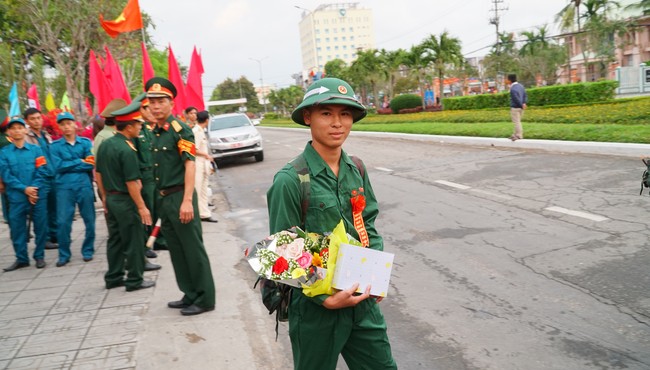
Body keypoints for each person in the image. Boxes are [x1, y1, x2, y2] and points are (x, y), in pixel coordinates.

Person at [266, 77, 397, 370]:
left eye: (345, 114)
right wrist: (325, 299)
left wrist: (374, 280)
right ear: (308, 117)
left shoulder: (357, 169)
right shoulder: (290, 180)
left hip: (361, 304)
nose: (337, 123)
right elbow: (283, 253)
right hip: (316, 311)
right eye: (327, 113)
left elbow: (369, 225)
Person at [146, 77, 215, 316]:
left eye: (160, 101)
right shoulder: (155, 132)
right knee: (176, 250)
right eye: (151, 101)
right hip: (164, 199)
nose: (155, 106)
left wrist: (187, 201)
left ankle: (205, 298)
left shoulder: (180, 130)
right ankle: (190, 293)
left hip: (180, 197)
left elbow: (189, 165)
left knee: (192, 249)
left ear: (171, 103)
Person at [95, 101, 155, 291]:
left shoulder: (105, 144)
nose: (140, 127)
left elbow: (99, 174)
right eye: (138, 124)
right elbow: (131, 182)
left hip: (111, 199)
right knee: (134, 240)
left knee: (115, 240)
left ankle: (113, 277)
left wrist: (104, 197)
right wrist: (141, 207)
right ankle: (135, 279)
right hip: (126, 200)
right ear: (129, 127)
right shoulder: (127, 149)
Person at [0, 117, 50, 271]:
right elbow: (6, 175)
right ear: (9, 132)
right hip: (16, 197)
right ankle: (21, 258)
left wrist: (33, 188)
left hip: (36, 196)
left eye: (20, 127)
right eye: (13, 128)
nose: (17, 131)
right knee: (16, 228)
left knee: (41, 227)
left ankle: (39, 256)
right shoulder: (4, 152)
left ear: (25, 130)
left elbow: (42, 170)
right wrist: (25, 189)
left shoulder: (36, 150)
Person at [49, 112, 95, 267]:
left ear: (75, 124)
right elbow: (58, 166)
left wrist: (71, 163)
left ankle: (88, 250)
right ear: (59, 127)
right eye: (62, 124)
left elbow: (90, 163)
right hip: (64, 187)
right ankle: (64, 254)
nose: (66, 127)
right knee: (63, 222)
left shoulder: (86, 143)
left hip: (84, 185)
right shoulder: (54, 146)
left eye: (69, 123)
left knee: (89, 219)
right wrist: (79, 161)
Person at [24, 107, 58, 249]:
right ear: (27, 121)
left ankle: (55, 236)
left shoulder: (45, 135)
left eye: (38, 118)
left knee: (54, 208)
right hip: (39, 179)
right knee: (40, 213)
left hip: (52, 176)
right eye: (32, 119)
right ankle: (44, 240)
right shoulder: (26, 137)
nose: (36, 121)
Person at [193, 110, 217, 222]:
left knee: (203, 189)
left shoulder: (201, 130)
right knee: (197, 190)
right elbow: (194, 149)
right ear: (207, 120)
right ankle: (197, 214)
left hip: (203, 163)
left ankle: (204, 213)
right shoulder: (196, 131)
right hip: (197, 164)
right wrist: (206, 155)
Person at [507, 74, 527, 141]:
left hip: (515, 107)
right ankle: (514, 134)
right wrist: (524, 103)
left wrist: (520, 104)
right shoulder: (521, 86)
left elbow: (515, 98)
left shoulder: (513, 88)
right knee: (518, 122)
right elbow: (525, 95)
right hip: (521, 107)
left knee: (516, 122)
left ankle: (518, 135)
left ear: (509, 80)